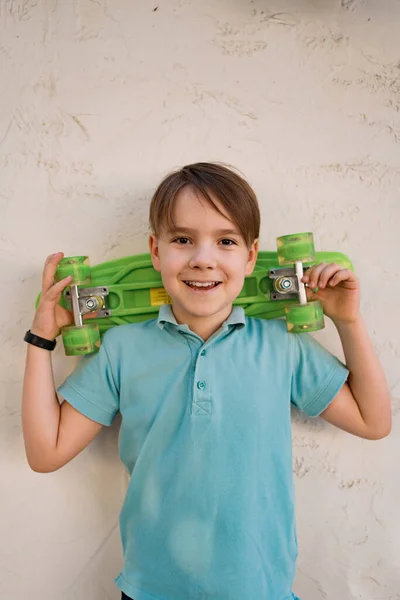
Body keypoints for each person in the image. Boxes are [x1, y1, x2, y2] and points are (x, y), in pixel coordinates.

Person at [22, 162, 391, 600]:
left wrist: (348, 321)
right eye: (182, 240)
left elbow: (374, 421)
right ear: (155, 251)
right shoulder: (121, 349)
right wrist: (40, 338)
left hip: (260, 590)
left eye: (226, 241)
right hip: (151, 590)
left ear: (251, 256)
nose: (203, 258)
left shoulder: (280, 344)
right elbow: (46, 453)